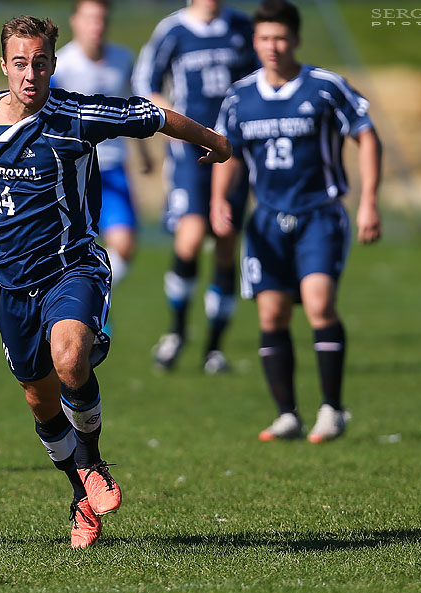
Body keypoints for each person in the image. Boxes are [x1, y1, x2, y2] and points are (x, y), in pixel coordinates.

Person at [0, 16, 230, 548]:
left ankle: (91, 460)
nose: (30, 74)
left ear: (53, 64)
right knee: (39, 402)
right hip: (12, 285)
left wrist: (213, 142)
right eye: (20, 63)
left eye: (40, 62)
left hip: (72, 267)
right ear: (3, 65)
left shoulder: (74, 114)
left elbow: (151, 115)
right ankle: (79, 496)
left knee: (70, 359)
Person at [210, 0, 382, 443]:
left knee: (319, 303)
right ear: (255, 42)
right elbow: (224, 152)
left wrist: (368, 202)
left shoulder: (325, 87)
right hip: (266, 219)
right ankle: (287, 414)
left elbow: (366, 135)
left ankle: (332, 409)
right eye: (265, 38)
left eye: (281, 38)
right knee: (272, 314)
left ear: (296, 40)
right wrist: (219, 201)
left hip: (319, 214)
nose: (273, 47)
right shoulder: (239, 96)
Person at [133, 0, 258, 374]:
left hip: (233, 152)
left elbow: (259, 80)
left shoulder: (241, 26)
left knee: (225, 240)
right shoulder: (173, 30)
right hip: (189, 154)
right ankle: (176, 333)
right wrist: (173, 122)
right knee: (189, 237)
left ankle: (214, 349)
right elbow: (145, 83)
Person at [51, 0, 153, 324]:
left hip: (112, 169)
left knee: (123, 246)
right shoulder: (62, 65)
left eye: (102, 19)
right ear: (75, 21)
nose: (97, 25)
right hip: (73, 173)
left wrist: (145, 153)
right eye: (90, 18)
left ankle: (92, 300)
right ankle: (73, 310)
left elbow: (133, 108)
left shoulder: (123, 59)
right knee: (73, 250)